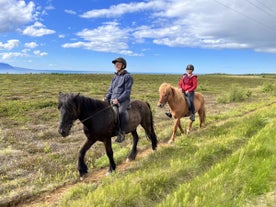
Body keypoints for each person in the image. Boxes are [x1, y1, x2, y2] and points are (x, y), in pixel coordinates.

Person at [104, 57, 133, 143]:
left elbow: (127, 92)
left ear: (123, 66)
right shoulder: (114, 77)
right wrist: (106, 97)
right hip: (112, 99)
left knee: (120, 113)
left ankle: (122, 132)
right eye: (115, 64)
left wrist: (118, 100)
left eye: (118, 64)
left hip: (123, 100)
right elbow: (110, 90)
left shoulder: (128, 77)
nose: (116, 65)